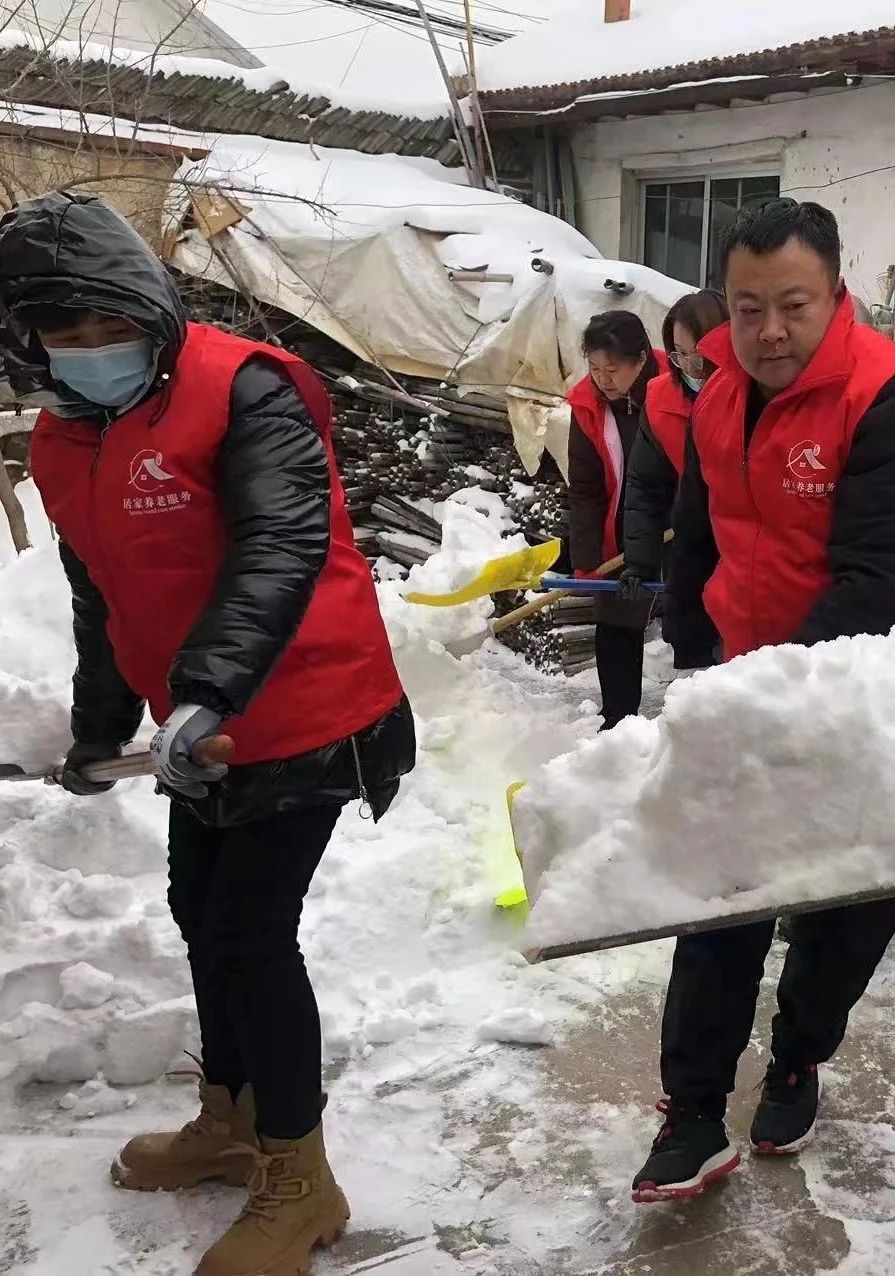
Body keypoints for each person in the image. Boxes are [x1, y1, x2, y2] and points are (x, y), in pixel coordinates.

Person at [0, 192, 416, 1274]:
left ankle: (301, 1174)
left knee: (248, 933)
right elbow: (103, 594)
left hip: (312, 707)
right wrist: (101, 728)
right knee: (199, 911)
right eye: (66, 338)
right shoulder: (62, 441)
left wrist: (207, 692)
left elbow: (280, 546)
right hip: (202, 731)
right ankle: (234, 1117)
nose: (92, 354)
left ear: (149, 307)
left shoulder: (247, 391)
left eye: (110, 330)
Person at [632, 198, 895, 1203]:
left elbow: (877, 581)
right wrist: (693, 661)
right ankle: (692, 1111)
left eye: (793, 305)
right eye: (748, 306)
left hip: (865, 695)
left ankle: (798, 1055)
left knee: (844, 905)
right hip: (746, 683)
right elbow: (701, 531)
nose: (770, 329)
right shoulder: (721, 392)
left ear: (835, 295)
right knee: (719, 898)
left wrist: (771, 688)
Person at [568, 310, 665, 729]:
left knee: (695, 619)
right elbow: (586, 488)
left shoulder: (675, 393)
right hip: (619, 529)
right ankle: (618, 720)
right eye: (594, 368)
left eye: (612, 369)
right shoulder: (587, 404)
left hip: (674, 524)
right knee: (616, 618)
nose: (602, 379)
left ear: (641, 361)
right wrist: (588, 557)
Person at [618, 289, 730, 618]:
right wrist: (640, 562)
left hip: (746, 552)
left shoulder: (757, 395)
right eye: (680, 355)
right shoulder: (661, 402)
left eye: (700, 357)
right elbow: (646, 487)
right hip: (692, 546)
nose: (691, 369)